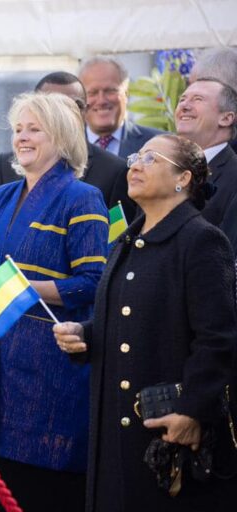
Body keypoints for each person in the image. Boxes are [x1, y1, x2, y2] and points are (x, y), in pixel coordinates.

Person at [0, 93, 108, 512]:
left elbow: (94, 282)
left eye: (34, 128)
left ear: (63, 136)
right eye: (18, 129)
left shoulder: (81, 197)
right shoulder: (0, 197)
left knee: (38, 496)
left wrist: (26, 289)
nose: (22, 137)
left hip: (44, 374)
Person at [54, 134, 237, 512]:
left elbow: (217, 339)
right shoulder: (127, 240)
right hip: (115, 433)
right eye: (136, 156)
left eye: (150, 159)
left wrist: (192, 411)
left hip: (167, 435)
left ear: (182, 178)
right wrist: (85, 335)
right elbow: (128, 316)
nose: (134, 164)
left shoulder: (201, 240)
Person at [0, 70, 135, 219]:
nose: (65, 113)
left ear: (86, 110)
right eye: (53, 106)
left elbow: (119, 239)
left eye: (74, 105)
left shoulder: (114, 171)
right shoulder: (6, 166)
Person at [175, 78, 237, 228]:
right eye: (182, 99)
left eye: (198, 99)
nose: (184, 106)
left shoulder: (234, 175)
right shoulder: (164, 168)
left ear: (226, 118)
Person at [79, 56, 163, 157]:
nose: (101, 100)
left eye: (110, 91)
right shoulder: (64, 147)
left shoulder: (158, 145)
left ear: (126, 93)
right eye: (92, 92)